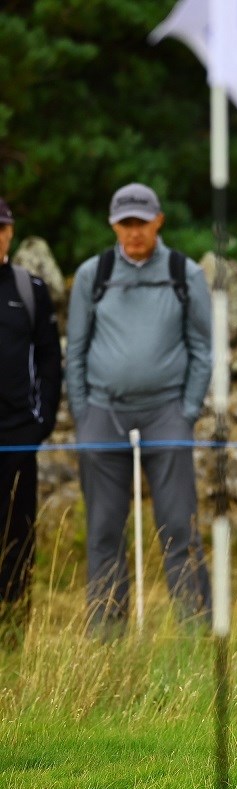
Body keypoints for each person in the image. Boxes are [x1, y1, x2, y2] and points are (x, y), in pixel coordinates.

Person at [66, 183, 213, 636]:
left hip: (166, 411)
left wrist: (187, 410)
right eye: (125, 223)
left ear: (158, 222)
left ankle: (194, 632)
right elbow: (75, 350)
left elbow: (203, 348)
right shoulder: (95, 273)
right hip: (103, 412)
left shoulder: (183, 272)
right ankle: (106, 633)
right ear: (114, 226)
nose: (134, 233)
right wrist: (83, 412)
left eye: (141, 223)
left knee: (178, 527)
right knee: (105, 530)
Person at [0, 196, 61, 647]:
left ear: (10, 232)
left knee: (18, 537)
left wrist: (41, 422)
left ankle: (13, 632)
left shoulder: (29, 288)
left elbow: (49, 359)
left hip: (18, 434)